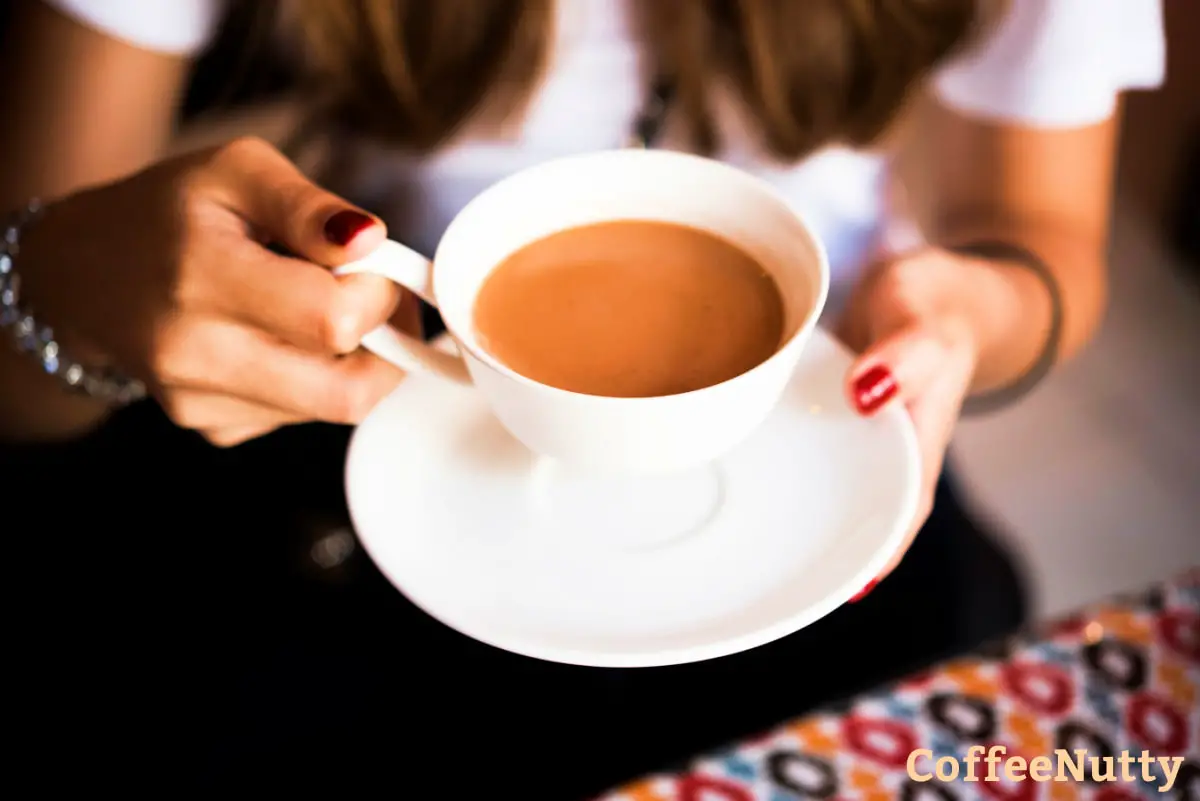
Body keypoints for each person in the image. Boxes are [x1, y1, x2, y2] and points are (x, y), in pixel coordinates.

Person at [0, 0, 1164, 795]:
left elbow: (1038, 236)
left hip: (824, 434)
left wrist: (967, 310)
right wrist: (74, 294)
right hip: (351, 431)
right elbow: (20, 391)